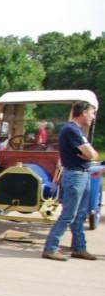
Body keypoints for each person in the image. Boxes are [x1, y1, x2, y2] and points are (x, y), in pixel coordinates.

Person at [41, 101, 99, 261]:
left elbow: (92, 154)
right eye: (92, 113)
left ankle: (79, 248)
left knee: (80, 215)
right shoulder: (72, 130)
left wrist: (90, 153)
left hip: (82, 174)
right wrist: (89, 153)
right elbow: (91, 154)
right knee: (68, 215)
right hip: (75, 175)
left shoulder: (76, 131)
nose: (93, 117)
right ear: (83, 112)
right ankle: (50, 248)